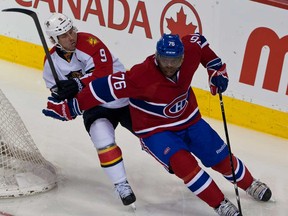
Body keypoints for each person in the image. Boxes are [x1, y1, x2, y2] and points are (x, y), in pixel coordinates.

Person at [43, 33, 272, 216]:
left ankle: (251, 184)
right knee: (184, 165)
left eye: (175, 60)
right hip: (155, 130)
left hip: (189, 118)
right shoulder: (140, 76)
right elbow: (102, 89)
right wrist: (70, 107)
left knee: (221, 159)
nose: (169, 65)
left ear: (182, 56)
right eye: (165, 60)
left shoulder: (190, 50)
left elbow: (201, 45)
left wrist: (216, 69)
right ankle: (219, 204)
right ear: (157, 56)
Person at [42, 13, 136, 207]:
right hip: (94, 106)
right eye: (64, 36)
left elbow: (104, 73)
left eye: (71, 31)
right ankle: (121, 185)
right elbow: (57, 93)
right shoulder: (50, 63)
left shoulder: (89, 41)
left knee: (152, 134)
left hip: (123, 98)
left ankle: (173, 162)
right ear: (54, 40)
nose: (71, 38)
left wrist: (77, 83)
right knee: (102, 139)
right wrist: (61, 103)